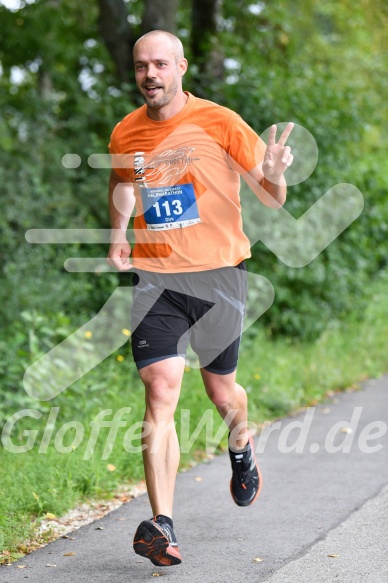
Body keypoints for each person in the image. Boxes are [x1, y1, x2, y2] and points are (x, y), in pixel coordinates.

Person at [107, 29, 293, 567]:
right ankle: (162, 525)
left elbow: (271, 197)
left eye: (160, 64)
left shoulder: (219, 121)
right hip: (156, 278)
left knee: (223, 395)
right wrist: (119, 231)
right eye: (142, 66)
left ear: (181, 67)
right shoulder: (126, 132)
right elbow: (122, 183)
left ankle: (241, 445)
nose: (151, 75)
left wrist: (276, 175)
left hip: (218, 277)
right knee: (161, 388)